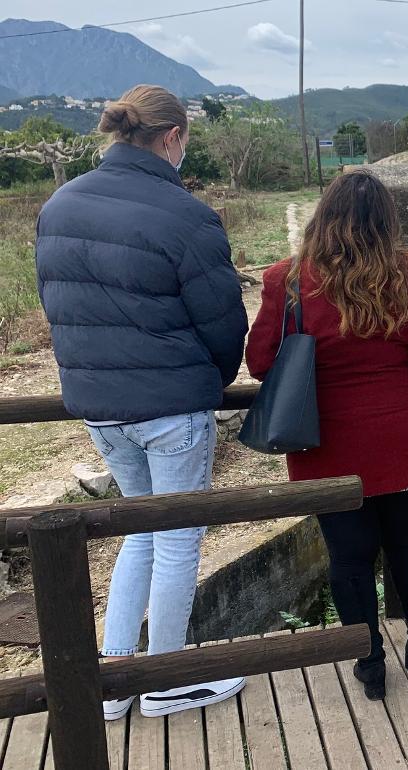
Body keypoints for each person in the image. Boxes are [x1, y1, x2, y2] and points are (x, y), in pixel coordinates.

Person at [35, 85, 249, 720]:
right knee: (179, 537)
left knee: (139, 532)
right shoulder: (186, 214)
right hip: (170, 406)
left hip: (100, 407)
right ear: (173, 137)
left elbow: (58, 309)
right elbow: (222, 324)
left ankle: (114, 679)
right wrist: (208, 381)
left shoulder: (58, 205)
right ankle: (168, 681)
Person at [245, 171, 408, 701]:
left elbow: (260, 362)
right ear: (385, 219)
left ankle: (368, 661)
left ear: (323, 214)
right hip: (400, 437)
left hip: (326, 445)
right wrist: (406, 386)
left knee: (348, 557)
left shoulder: (286, 280)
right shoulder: (406, 272)